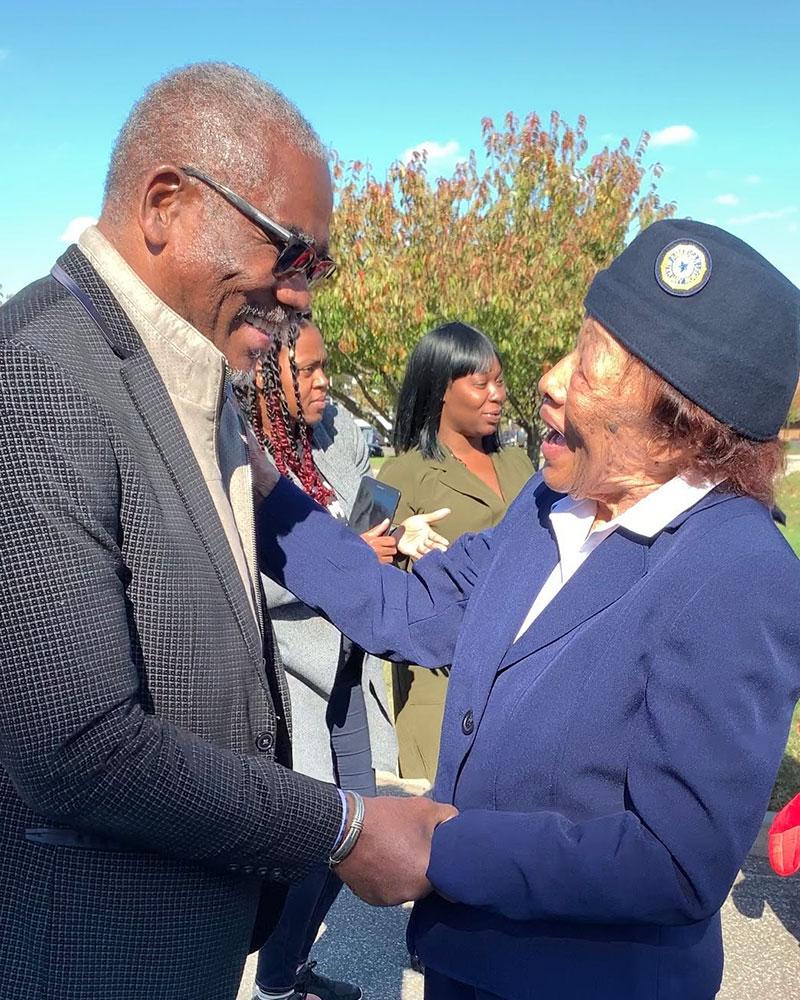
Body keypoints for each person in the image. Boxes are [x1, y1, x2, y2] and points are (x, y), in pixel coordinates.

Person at [255, 219, 800, 999]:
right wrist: (254, 481)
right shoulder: (552, 504)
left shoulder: (738, 572)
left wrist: (441, 854)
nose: (548, 378)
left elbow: (674, 860)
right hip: (463, 966)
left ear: (678, 420)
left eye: (588, 363)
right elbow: (403, 605)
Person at [0, 63, 453, 1000]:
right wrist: (343, 829)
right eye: (292, 255)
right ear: (167, 205)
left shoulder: (194, 383)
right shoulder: (39, 375)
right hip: (88, 953)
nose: (300, 298)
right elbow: (76, 751)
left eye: (317, 269)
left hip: (185, 934)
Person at [234, 317, 445, 1000]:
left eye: (328, 367)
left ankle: (288, 970)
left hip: (350, 674)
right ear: (268, 372)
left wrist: (394, 535)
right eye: (310, 370)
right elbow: (237, 571)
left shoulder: (328, 438)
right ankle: (272, 980)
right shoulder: (239, 457)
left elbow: (362, 513)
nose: (326, 382)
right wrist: (353, 557)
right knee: (308, 839)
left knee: (347, 834)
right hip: (290, 679)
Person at [377, 322, 534, 780]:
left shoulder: (522, 464)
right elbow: (356, 566)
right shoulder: (399, 474)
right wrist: (401, 541)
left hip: (519, 683)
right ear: (442, 389)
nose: (497, 395)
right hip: (439, 691)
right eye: (480, 383)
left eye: (500, 381)